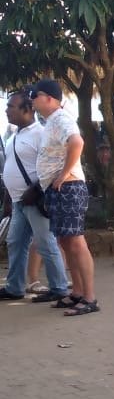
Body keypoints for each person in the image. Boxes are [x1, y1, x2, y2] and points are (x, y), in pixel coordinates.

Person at [29, 79, 98, 316]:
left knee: (76, 242)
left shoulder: (60, 119)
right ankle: (77, 292)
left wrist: (63, 174)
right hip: (60, 189)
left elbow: (77, 142)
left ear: (49, 98)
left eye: (35, 96)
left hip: (68, 188)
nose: (32, 100)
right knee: (66, 242)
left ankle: (90, 298)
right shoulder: (51, 121)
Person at [0, 91, 70, 304]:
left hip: (35, 200)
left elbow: (54, 165)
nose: (6, 110)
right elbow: (11, 168)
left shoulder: (41, 134)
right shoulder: (13, 137)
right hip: (18, 201)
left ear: (27, 110)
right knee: (15, 243)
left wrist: (37, 189)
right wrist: (8, 201)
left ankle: (59, 288)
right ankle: (14, 287)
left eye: (11, 106)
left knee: (46, 243)